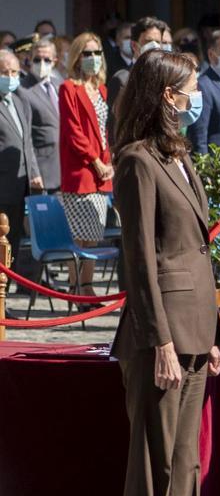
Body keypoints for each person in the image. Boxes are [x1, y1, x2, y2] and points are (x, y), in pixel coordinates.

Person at [109, 49, 220, 496]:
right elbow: (141, 261)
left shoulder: (177, 156)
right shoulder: (136, 160)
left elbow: (195, 251)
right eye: (189, 89)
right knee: (154, 469)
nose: (195, 98)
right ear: (166, 97)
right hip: (161, 337)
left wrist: (213, 334)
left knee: (186, 466)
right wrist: (161, 341)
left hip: (196, 330)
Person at [59, 32, 113, 298]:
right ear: (77, 58)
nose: (93, 58)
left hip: (102, 171)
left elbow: (107, 129)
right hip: (81, 170)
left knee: (93, 233)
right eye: (87, 53)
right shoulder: (69, 88)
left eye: (96, 53)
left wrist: (108, 161)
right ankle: (74, 287)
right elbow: (73, 132)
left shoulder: (102, 89)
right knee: (76, 236)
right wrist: (94, 161)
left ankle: (88, 285)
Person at [0, 49, 42, 256]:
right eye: (5, 73)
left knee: (12, 242)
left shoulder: (19, 101)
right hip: (2, 186)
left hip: (20, 185)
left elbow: (27, 142)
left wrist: (34, 171)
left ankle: (5, 288)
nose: (10, 78)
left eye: (14, 73)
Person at [18, 38, 61, 194]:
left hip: (64, 168)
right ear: (29, 60)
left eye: (47, 59)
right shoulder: (23, 90)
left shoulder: (60, 85)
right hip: (43, 173)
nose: (42, 63)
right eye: (37, 59)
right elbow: (25, 135)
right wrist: (34, 171)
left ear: (55, 61)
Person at [108, 16, 169, 115]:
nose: (154, 46)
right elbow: (114, 125)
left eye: (157, 42)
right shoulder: (122, 80)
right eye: (148, 41)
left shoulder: (167, 77)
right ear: (134, 45)